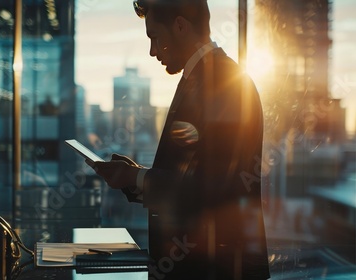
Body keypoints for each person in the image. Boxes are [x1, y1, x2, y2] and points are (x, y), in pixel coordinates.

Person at [87, 0, 270, 279]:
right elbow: (193, 177)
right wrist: (133, 177)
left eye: (155, 37)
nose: (152, 51)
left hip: (214, 268)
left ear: (181, 26)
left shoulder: (224, 82)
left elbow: (211, 189)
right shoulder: (205, 78)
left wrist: (137, 177)